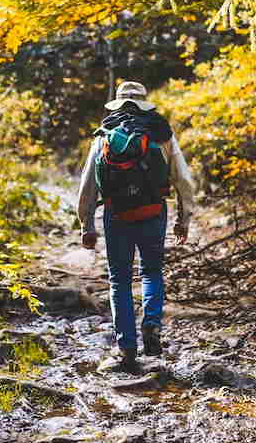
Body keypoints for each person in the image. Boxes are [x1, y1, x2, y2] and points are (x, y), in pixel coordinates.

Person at [77, 81, 195, 371]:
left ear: (117, 103)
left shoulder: (104, 134)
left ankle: (126, 348)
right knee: (152, 272)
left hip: (117, 216)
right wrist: (184, 218)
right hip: (154, 212)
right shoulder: (162, 133)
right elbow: (184, 180)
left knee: (119, 281)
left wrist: (86, 225)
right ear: (144, 102)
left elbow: (88, 184)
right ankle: (152, 323)